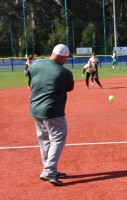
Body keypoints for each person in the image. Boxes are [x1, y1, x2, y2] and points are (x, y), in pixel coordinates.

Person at [30, 44, 74, 186]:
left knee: (44, 139)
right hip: (53, 111)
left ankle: (49, 168)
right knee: (57, 139)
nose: (66, 60)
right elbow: (69, 88)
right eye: (66, 58)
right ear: (61, 56)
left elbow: (32, 78)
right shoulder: (64, 72)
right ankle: (49, 171)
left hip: (35, 109)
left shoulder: (36, 63)